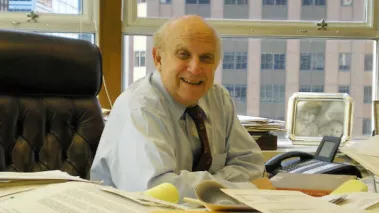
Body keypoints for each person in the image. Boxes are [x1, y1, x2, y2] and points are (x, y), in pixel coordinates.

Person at [90, 15, 265, 201]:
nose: (195, 68)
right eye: (184, 55)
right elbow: (156, 191)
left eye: (206, 58)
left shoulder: (218, 99)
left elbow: (253, 166)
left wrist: (214, 185)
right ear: (158, 59)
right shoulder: (139, 107)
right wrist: (239, 187)